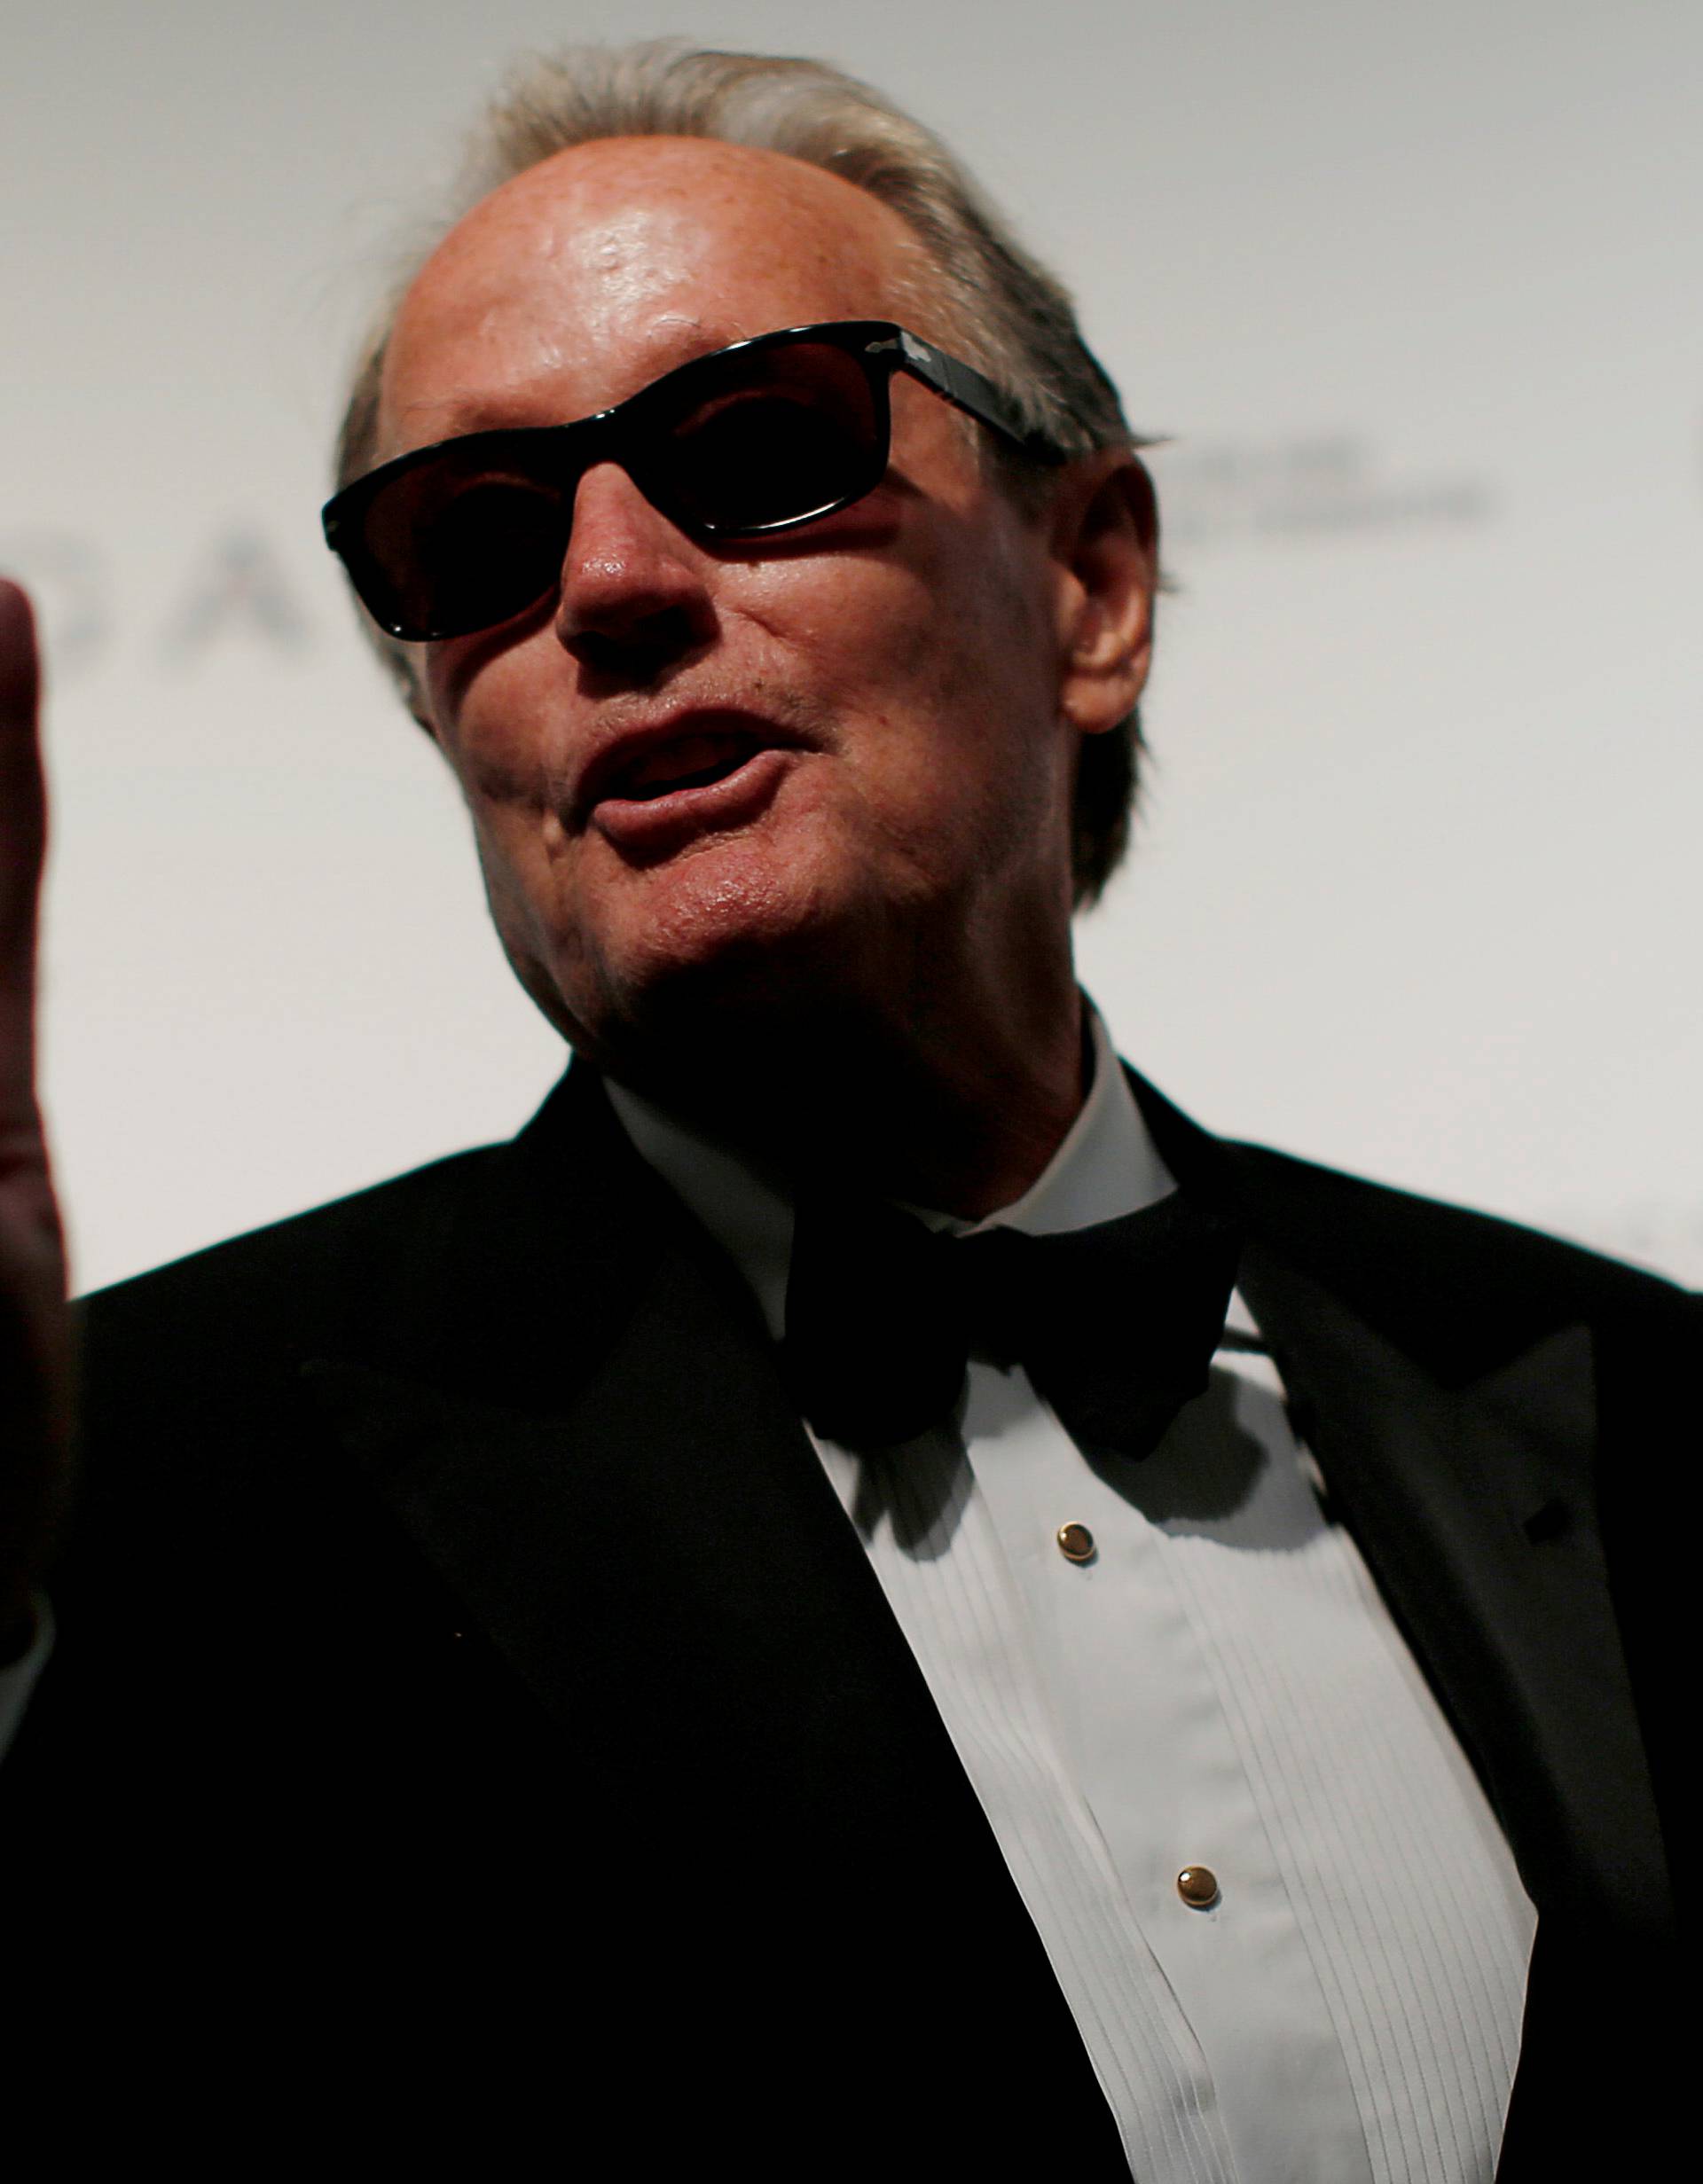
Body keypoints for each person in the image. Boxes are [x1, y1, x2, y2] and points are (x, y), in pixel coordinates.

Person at [0, 42, 1685, 2181]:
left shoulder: (1629, 1397)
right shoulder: (119, 1506)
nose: (606, 585)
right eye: (482, 534)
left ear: (1092, 588)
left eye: (761, 445)